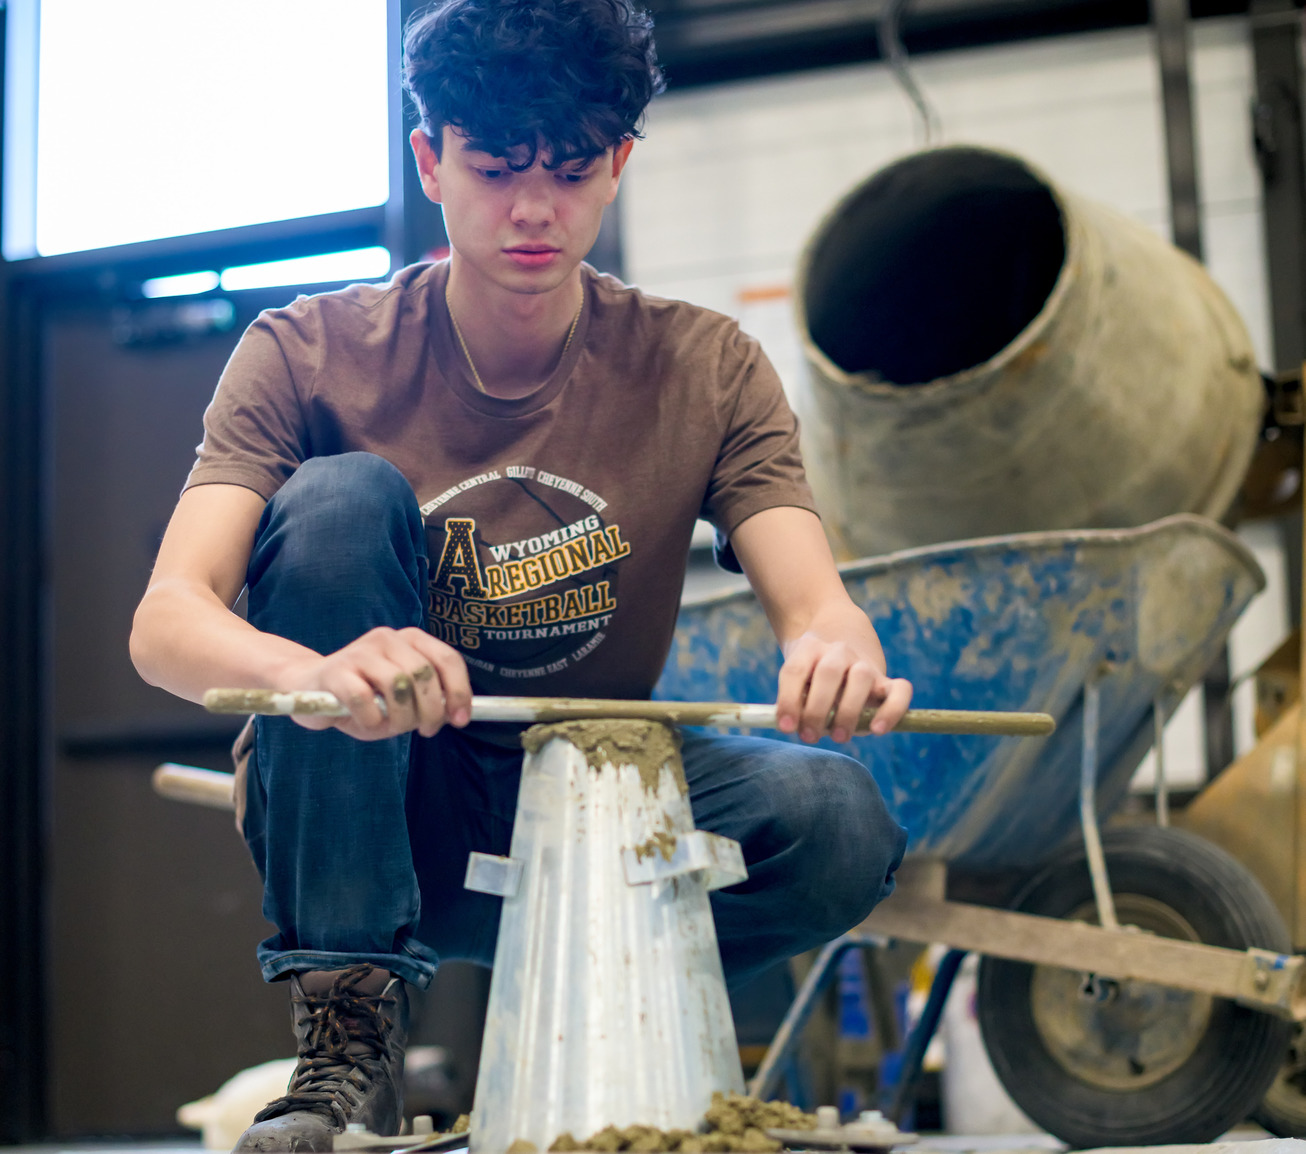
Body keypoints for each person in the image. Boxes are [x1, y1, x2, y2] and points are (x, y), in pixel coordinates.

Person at [130, 0, 911, 1149]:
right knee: (340, 499)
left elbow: (816, 602)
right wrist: (318, 671)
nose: (536, 208)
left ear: (619, 164)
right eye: (496, 168)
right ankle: (348, 1024)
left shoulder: (704, 366)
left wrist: (834, 645)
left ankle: (611, 992)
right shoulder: (307, 350)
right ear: (430, 160)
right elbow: (166, 621)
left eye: (573, 167)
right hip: (378, 797)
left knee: (836, 815)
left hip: (596, 813)